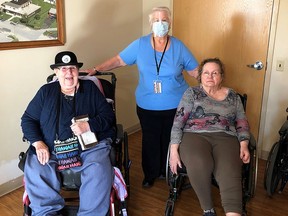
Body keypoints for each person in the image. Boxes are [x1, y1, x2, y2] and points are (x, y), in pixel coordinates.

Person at [83, 6, 198, 188]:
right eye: (157, 20)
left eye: (164, 20)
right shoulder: (140, 44)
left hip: (176, 105)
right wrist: (97, 69)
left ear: (170, 23)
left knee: (171, 139)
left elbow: (194, 70)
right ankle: (151, 173)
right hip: (147, 104)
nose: (161, 24)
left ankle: (171, 171)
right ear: (151, 23)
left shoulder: (179, 46)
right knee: (150, 139)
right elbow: (119, 60)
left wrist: (211, 80)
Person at [21, 51, 116, 215]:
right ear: (56, 73)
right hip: (51, 147)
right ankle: (47, 212)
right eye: (63, 69)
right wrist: (38, 142)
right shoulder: (46, 92)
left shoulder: (91, 89)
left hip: (89, 147)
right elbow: (28, 119)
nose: (68, 73)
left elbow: (108, 117)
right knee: (36, 167)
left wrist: (88, 125)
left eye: (72, 68)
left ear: (78, 71)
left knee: (98, 168)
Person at [169, 58, 250, 216]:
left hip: (226, 136)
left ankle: (234, 213)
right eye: (206, 72)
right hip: (194, 135)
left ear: (221, 76)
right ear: (200, 75)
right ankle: (208, 209)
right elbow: (178, 121)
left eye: (214, 73)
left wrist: (244, 144)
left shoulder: (233, 96)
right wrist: (173, 150)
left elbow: (242, 122)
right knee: (200, 163)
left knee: (229, 169)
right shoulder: (192, 93)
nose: (210, 76)